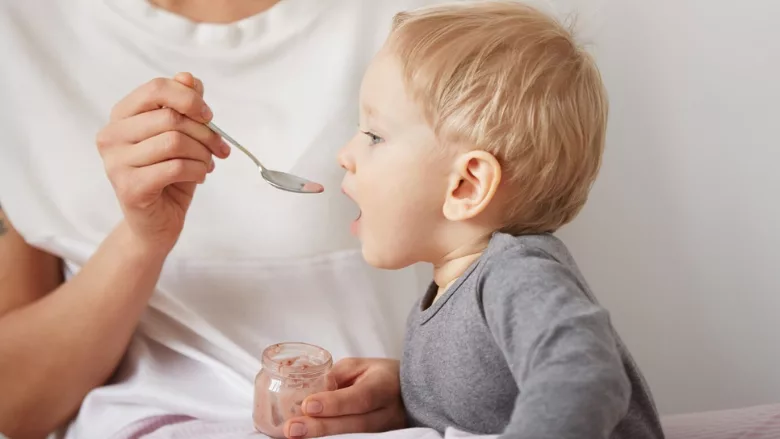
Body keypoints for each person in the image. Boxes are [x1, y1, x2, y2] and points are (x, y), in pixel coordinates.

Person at [0, 1, 463, 438]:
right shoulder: (24, 32)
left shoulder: (436, 23)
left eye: (375, 136)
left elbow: (509, 289)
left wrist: (417, 388)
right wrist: (144, 237)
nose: (348, 156)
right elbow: (17, 408)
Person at [335, 2, 665, 438]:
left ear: (467, 186)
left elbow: (585, 374)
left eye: (374, 135)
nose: (345, 154)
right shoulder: (456, 288)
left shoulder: (517, 275)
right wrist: (408, 389)